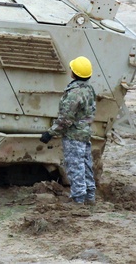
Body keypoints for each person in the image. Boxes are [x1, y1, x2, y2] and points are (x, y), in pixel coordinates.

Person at [40, 56, 97, 205]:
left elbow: (66, 118)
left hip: (74, 135)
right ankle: (90, 196)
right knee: (86, 165)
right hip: (84, 133)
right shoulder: (89, 89)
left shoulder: (74, 93)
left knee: (75, 167)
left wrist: (50, 133)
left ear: (74, 73)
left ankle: (78, 199)